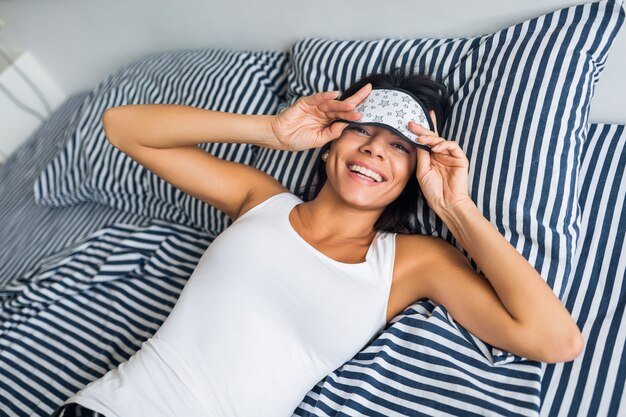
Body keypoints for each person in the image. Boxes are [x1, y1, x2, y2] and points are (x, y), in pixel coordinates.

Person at [51, 69, 584, 417]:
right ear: (330, 144)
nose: (375, 149)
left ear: (415, 171)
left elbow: (556, 341)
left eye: (399, 146)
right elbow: (123, 127)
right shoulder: (261, 199)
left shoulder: (412, 261)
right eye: (363, 130)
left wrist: (455, 208)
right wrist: (274, 131)